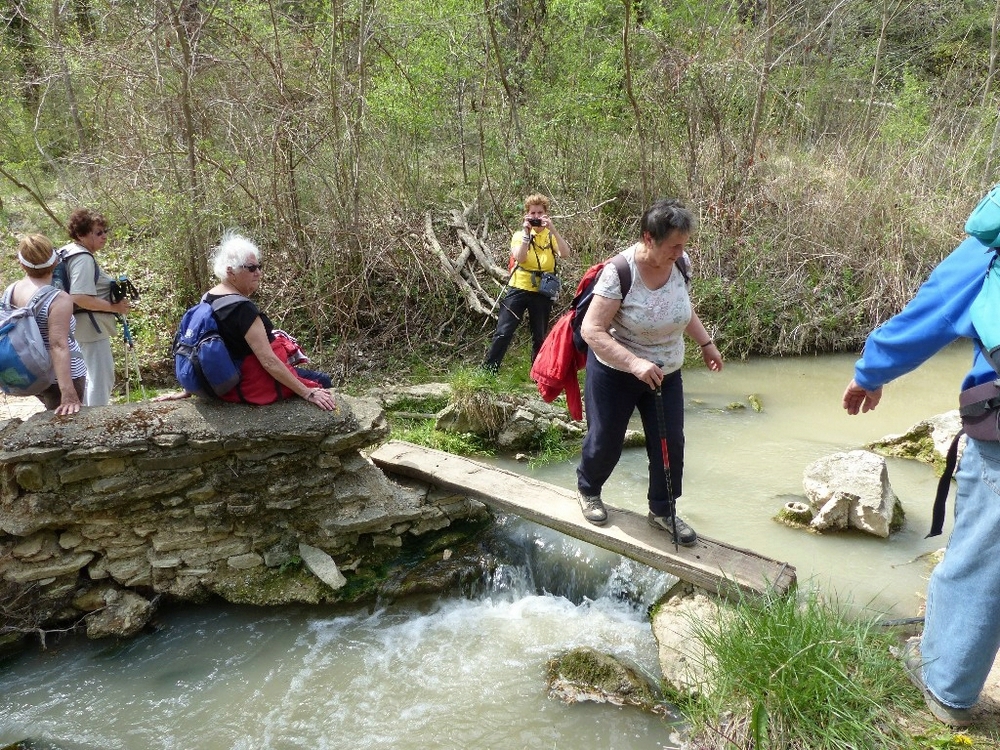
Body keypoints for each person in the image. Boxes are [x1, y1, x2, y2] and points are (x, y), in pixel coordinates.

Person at [842, 232, 1000, 728]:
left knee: (981, 557)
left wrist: (869, 372)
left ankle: (946, 686)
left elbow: (931, 313)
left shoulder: (993, 243)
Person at [575, 199, 722, 545]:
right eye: (674, 245)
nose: (681, 252)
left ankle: (662, 510)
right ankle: (588, 489)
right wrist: (635, 363)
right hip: (616, 371)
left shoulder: (680, 264)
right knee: (607, 440)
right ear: (648, 238)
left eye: (684, 244)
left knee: (670, 442)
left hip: (666, 372)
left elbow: (682, 310)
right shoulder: (619, 272)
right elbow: (591, 330)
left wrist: (706, 344)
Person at [156, 231, 336, 410]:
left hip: (226, 386)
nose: (258, 272)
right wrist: (307, 392)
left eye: (259, 266)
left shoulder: (208, 299)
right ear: (230, 272)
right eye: (251, 268)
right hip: (252, 386)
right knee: (322, 381)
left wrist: (189, 389)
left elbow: (200, 350)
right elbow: (269, 362)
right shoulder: (242, 309)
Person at [482, 193, 571, 372]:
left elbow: (565, 253)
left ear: (546, 214)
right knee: (503, 331)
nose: (536, 217)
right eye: (533, 213)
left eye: (540, 213)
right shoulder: (519, 235)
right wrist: (526, 233)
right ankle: (489, 371)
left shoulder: (550, 236)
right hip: (519, 287)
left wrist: (553, 229)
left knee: (539, 335)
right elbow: (520, 258)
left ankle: (537, 373)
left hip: (542, 291)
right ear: (527, 215)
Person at [3, 234, 86, 415]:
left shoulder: (11, 291)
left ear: (22, 264)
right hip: (64, 377)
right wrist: (68, 392)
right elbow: (58, 345)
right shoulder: (58, 299)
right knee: (67, 426)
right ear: (55, 261)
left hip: (33, 373)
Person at [60, 208, 131, 406]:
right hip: (90, 327)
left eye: (105, 231)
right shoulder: (83, 258)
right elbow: (80, 296)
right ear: (81, 234)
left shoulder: (68, 252)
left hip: (77, 325)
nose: (104, 236)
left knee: (90, 377)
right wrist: (114, 307)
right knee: (101, 377)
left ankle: (88, 421)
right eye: (98, 232)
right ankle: (95, 426)